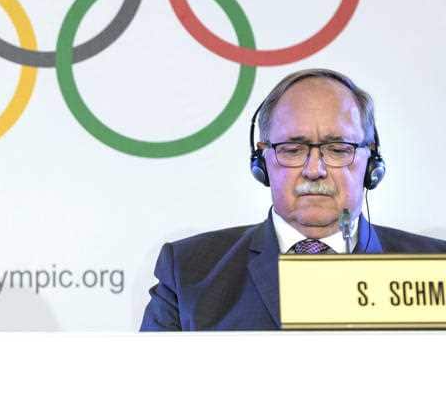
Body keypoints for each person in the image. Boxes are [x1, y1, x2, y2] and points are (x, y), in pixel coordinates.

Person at [140, 68, 446, 331]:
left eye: (338, 149)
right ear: (261, 161)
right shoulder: (189, 272)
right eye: (292, 149)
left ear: (372, 161)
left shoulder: (436, 270)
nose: (314, 170)